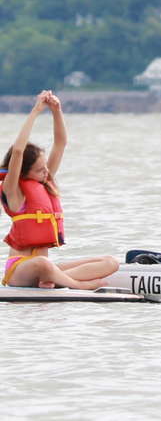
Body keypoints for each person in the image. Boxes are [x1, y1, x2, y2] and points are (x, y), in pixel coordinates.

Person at [2, 91, 118, 289]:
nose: (47, 172)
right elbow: (19, 151)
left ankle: (50, 280)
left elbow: (61, 143)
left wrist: (57, 111)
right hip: (20, 271)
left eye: (46, 166)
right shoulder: (14, 192)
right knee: (43, 263)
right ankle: (77, 285)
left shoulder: (43, 182)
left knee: (110, 262)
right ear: (23, 172)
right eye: (40, 169)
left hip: (45, 269)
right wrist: (36, 110)